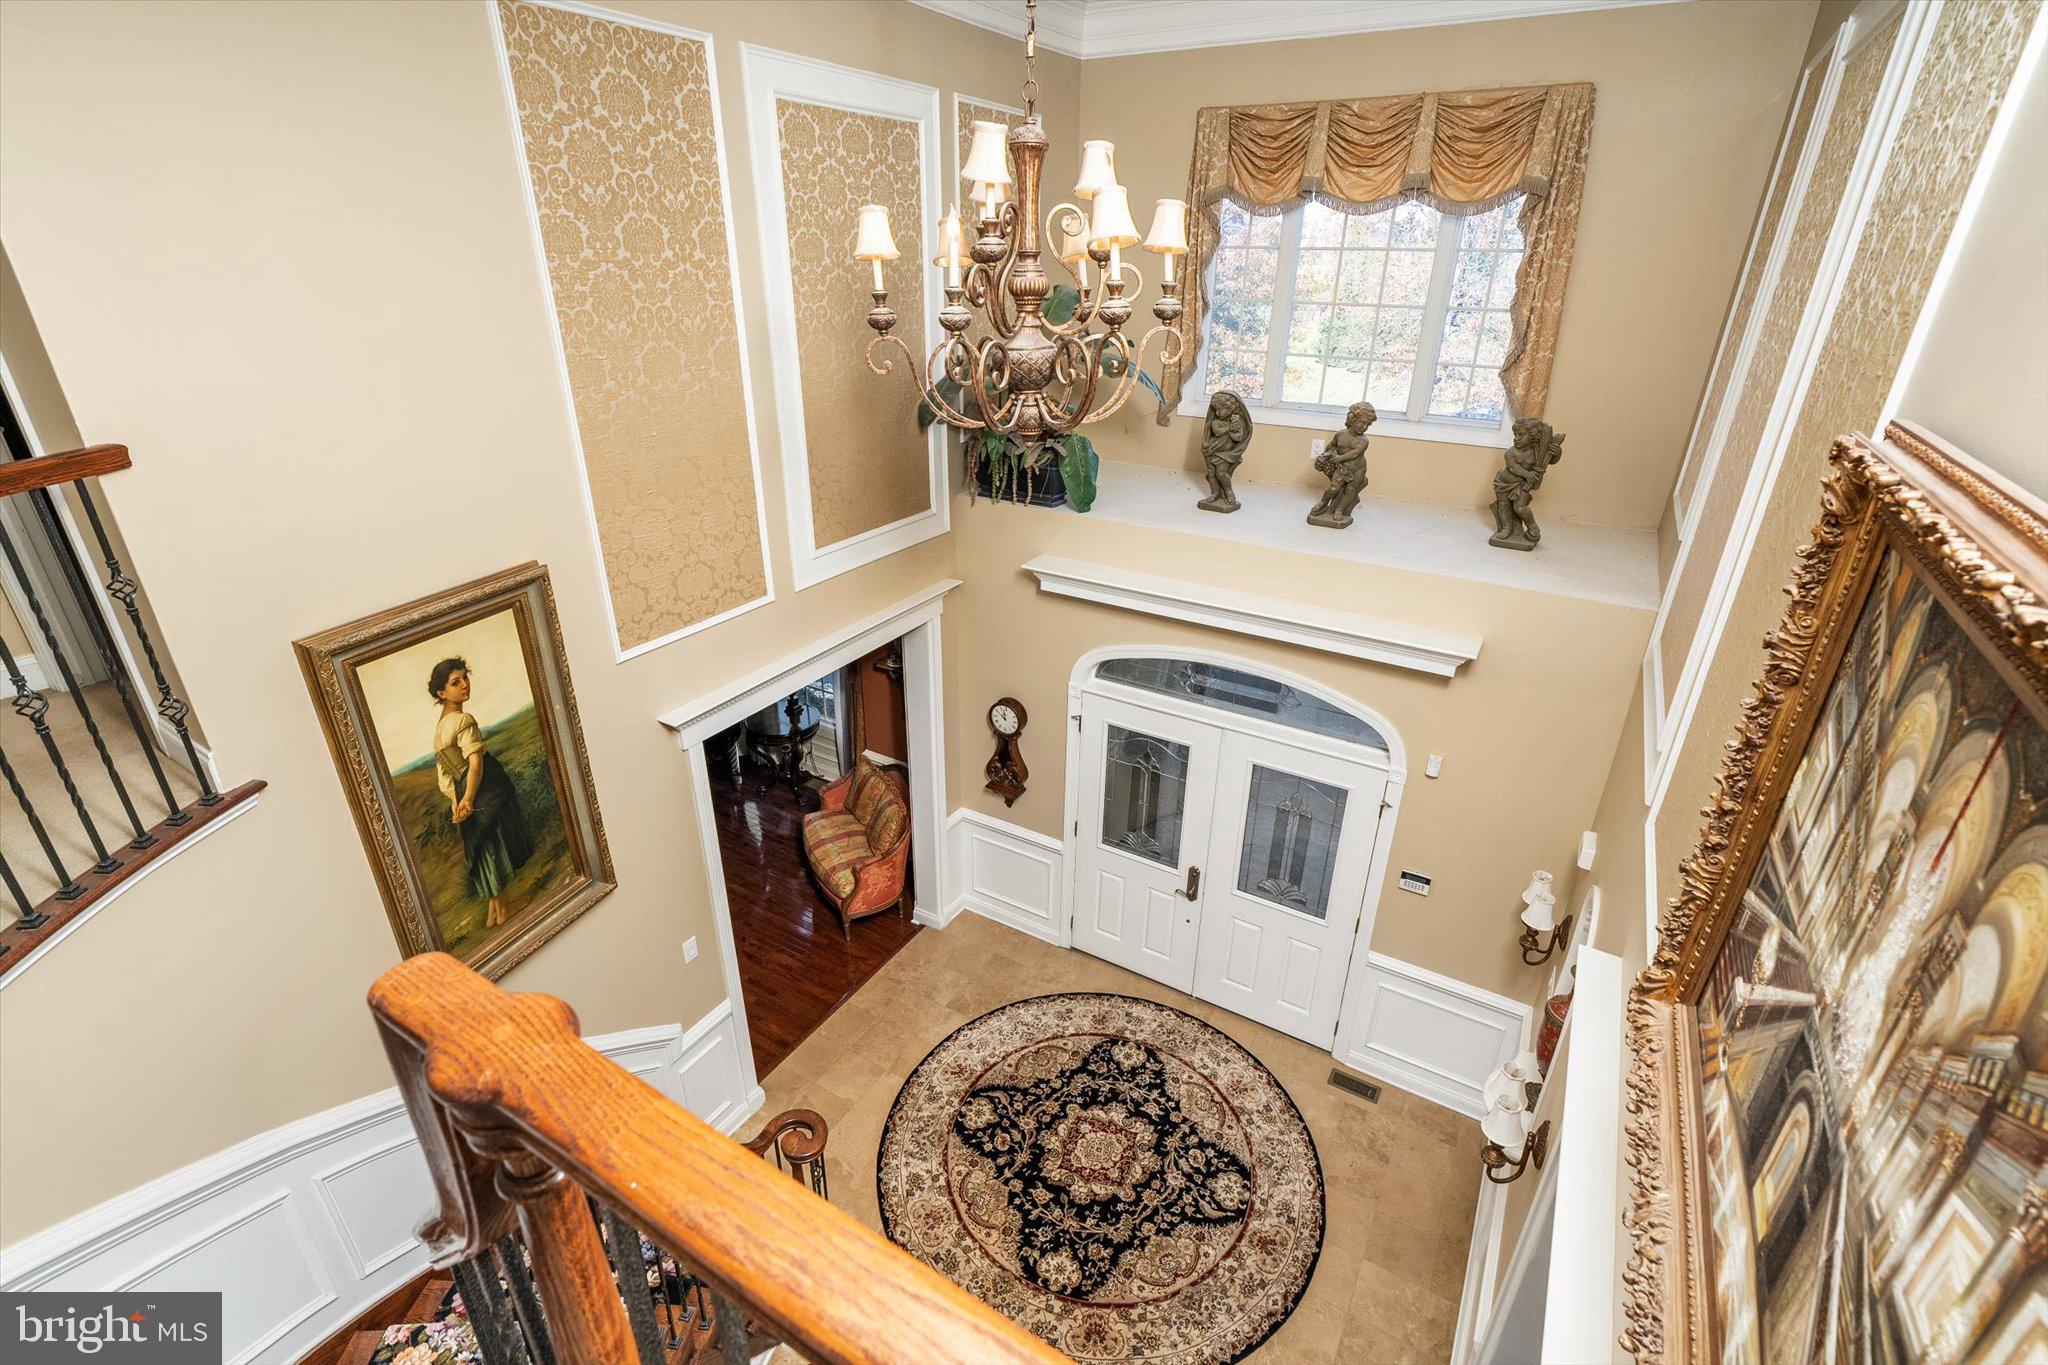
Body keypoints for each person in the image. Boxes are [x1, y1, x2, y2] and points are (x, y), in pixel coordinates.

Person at [428, 656, 533, 929]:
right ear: (441, 693)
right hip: (482, 788)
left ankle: (495, 912)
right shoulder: (462, 719)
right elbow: (475, 763)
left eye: (465, 677)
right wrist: (468, 799)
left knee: (485, 847)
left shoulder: (440, 729)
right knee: (494, 842)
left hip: (466, 788)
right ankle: (504, 910)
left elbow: (445, 778)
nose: (465, 684)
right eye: (455, 682)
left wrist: (456, 800)